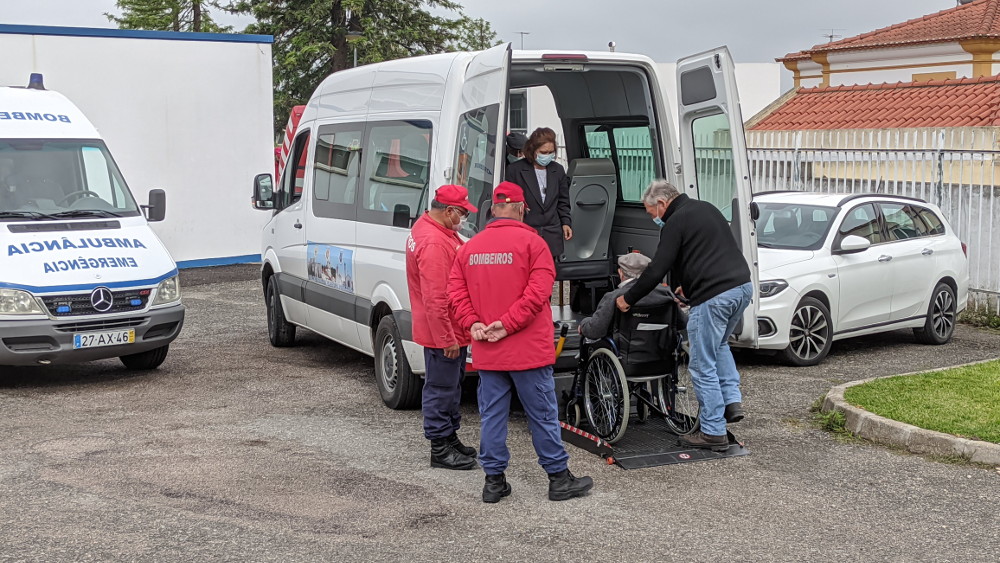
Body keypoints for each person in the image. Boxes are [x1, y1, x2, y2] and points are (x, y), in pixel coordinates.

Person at [448, 181, 593, 504]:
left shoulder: (469, 247)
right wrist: (508, 324)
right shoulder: (534, 244)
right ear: (520, 208)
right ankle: (558, 478)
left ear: (493, 209)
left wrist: (474, 323)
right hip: (527, 349)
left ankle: (494, 481)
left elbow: (456, 293)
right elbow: (539, 294)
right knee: (541, 414)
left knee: (493, 416)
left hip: (488, 349)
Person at [615, 179, 753, 451]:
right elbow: (705, 253)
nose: (651, 217)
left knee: (702, 364)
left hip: (713, 298)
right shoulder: (707, 209)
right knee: (720, 344)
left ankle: (713, 431)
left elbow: (656, 269)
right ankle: (731, 400)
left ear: (662, 204)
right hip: (742, 287)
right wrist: (687, 285)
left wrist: (627, 298)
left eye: (650, 211)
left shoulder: (675, 221)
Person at [405, 184, 480, 471]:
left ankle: (449, 437)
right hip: (443, 331)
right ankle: (440, 448)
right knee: (441, 388)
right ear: (448, 211)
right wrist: (447, 337)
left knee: (450, 387)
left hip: (446, 328)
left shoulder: (430, 229)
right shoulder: (435, 243)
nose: (463, 218)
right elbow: (436, 298)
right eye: (461, 213)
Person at [504, 127, 572, 259]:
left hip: (551, 233)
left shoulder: (558, 170)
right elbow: (510, 203)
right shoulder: (515, 170)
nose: (547, 155)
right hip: (525, 231)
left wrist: (566, 222)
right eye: (543, 152)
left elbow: (563, 201)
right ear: (532, 150)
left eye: (551, 152)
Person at [578, 252, 673, 340]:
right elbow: (682, 323)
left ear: (620, 273)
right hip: (662, 348)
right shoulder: (665, 292)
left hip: (626, 351)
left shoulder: (615, 297)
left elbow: (595, 331)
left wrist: (583, 324)